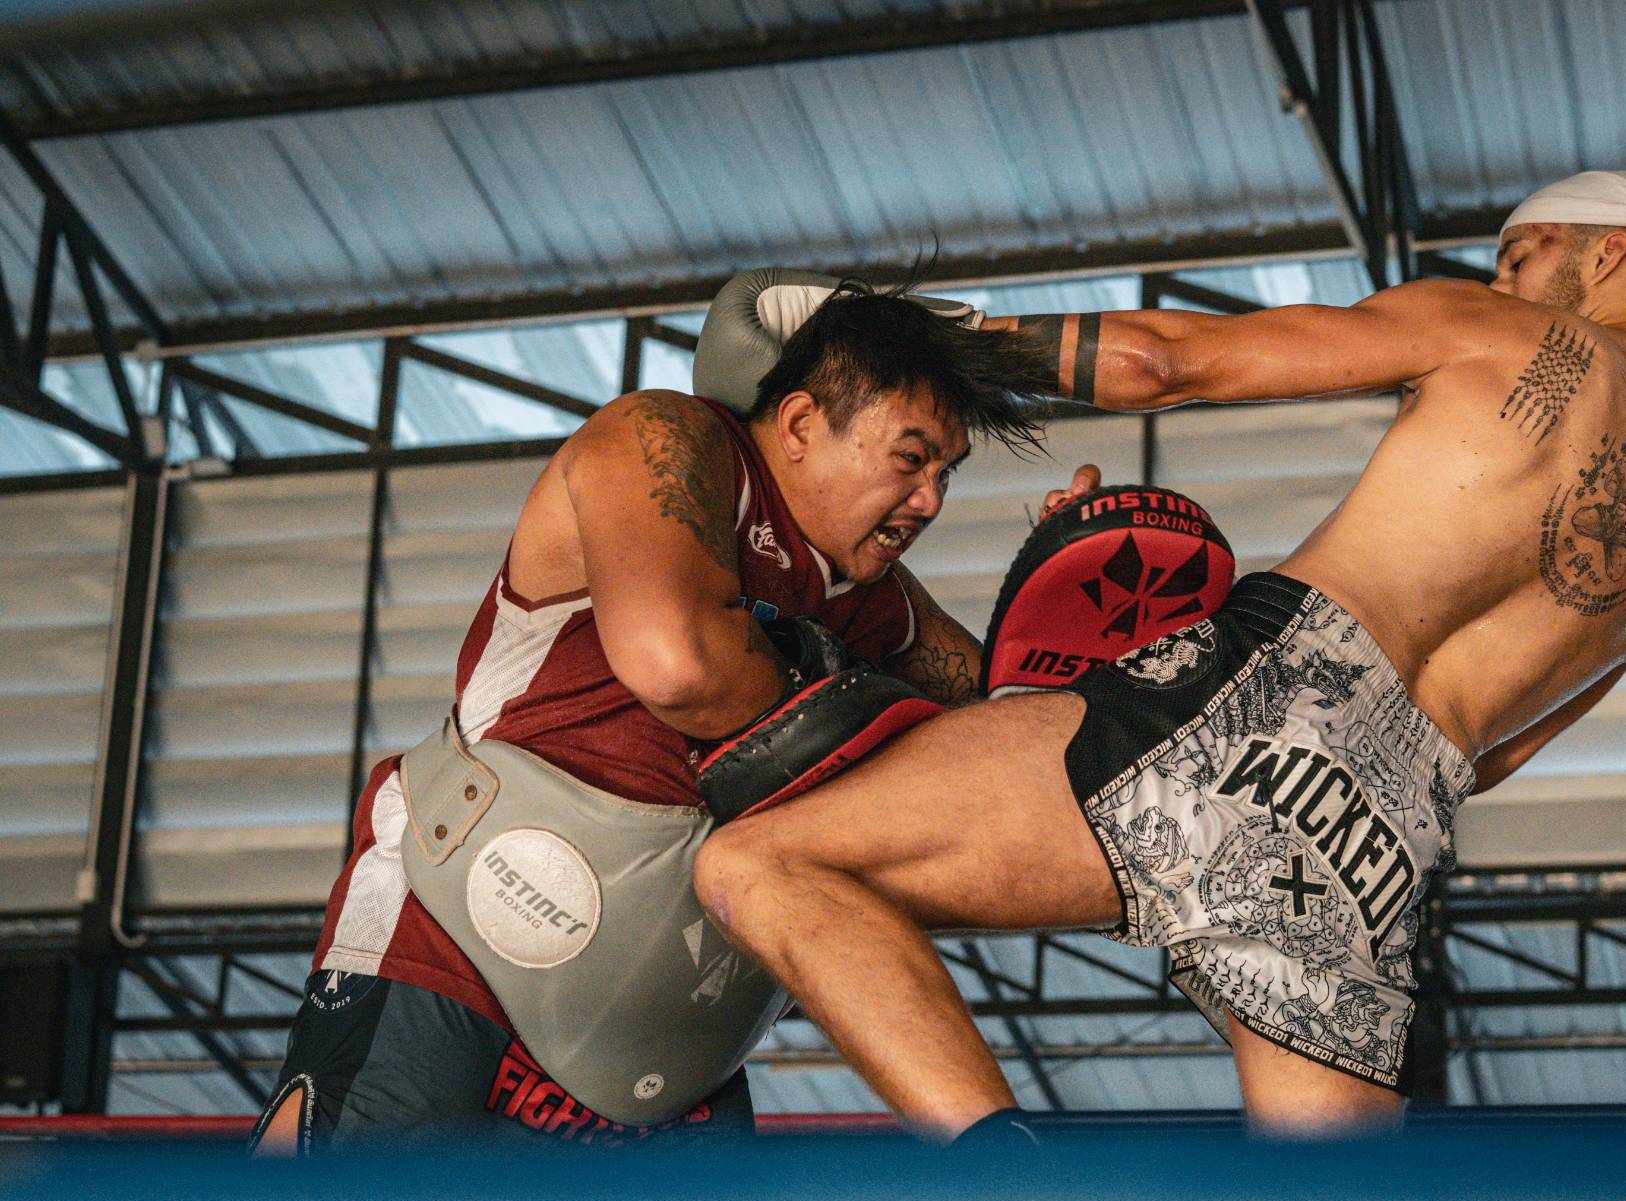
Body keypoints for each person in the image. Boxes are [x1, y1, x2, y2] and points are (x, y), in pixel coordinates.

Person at [691, 170, 1626, 1137]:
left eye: (1521, 253)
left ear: (1611, 253)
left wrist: (899, 340)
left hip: (1251, 700)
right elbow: (1493, 759)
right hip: (1375, 855)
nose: (1498, 281)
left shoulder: (1508, 335)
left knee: (760, 864)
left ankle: (1011, 1191)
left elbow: (1157, 362)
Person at [250, 279, 1054, 1153]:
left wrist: (1065, 590)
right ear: (797, 425)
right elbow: (678, 665)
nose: (932, 499)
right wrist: (870, 732)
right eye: (910, 457)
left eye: (947, 472)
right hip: (447, 949)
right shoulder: (666, 439)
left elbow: (1008, 735)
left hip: (659, 1046)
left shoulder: (869, 597)